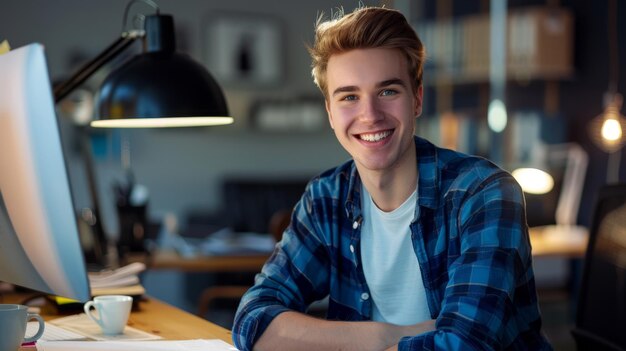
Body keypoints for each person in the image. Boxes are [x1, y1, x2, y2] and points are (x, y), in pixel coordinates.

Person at [232, 6, 551, 351]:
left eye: (387, 91)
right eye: (349, 97)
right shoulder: (326, 199)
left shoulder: (484, 194)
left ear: (416, 98)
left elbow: (463, 345)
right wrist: (384, 334)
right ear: (330, 112)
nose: (369, 115)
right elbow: (252, 321)